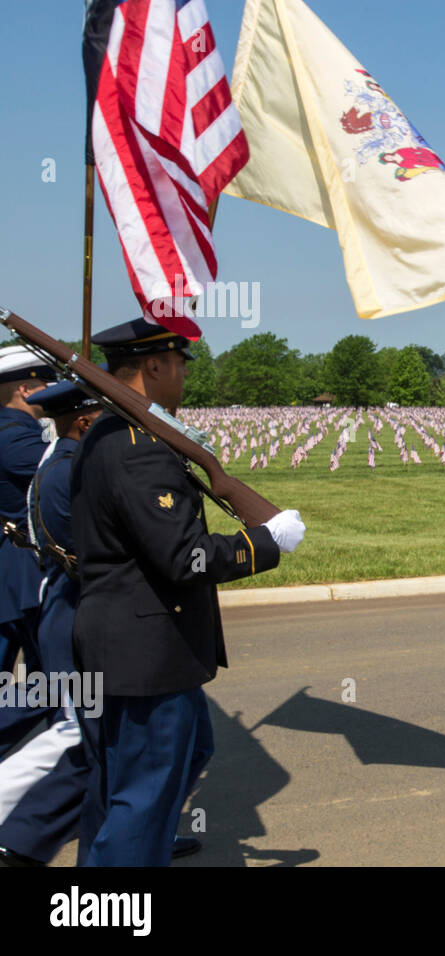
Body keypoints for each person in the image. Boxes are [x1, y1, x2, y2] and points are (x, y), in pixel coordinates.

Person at [71, 319, 306, 866]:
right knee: (143, 798)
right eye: (178, 362)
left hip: (123, 641)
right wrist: (262, 543)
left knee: (130, 783)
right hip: (148, 649)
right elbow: (184, 557)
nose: (183, 373)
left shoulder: (114, 433)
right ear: (154, 366)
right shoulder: (139, 449)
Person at [0, 379, 101, 866]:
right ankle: (18, 831)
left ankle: (118, 832)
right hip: (72, 608)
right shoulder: (69, 471)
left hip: (64, 607)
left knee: (91, 737)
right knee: (76, 734)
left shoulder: (61, 461)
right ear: (84, 420)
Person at [0, 346, 57, 755]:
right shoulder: (16, 437)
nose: (53, 391)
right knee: (55, 684)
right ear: (24, 390)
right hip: (23, 574)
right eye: (45, 384)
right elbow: (66, 479)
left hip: (12, 572)